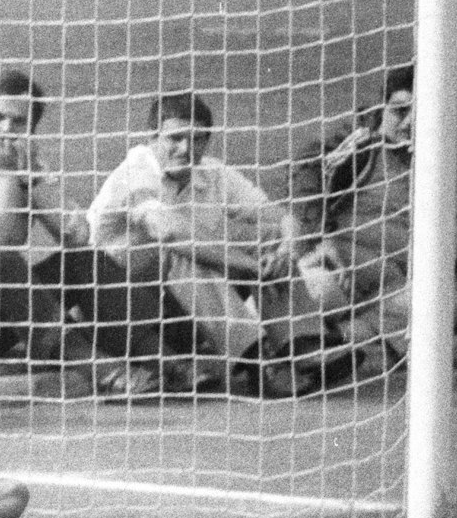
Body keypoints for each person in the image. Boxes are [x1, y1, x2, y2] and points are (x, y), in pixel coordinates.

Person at [0, 69, 204, 394]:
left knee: (82, 260)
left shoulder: (27, 160)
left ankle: (168, 362)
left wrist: (31, 180)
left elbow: (78, 234)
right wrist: (7, 174)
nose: (7, 129)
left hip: (5, 314)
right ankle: (105, 371)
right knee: (1, 262)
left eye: (19, 122)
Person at [86, 92, 337, 396]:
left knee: (268, 239)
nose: (186, 149)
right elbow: (170, 233)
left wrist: (286, 251)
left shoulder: (213, 172)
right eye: (175, 138)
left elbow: (281, 217)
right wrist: (251, 265)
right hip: (118, 314)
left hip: (182, 312)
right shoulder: (136, 171)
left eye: (197, 139)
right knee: (180, 252)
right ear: (153, 137)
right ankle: (257, 361)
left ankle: (303, 344)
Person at [290, 64, 415, 375]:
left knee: (440, 304)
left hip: (389, 284)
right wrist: (323, 238)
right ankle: (286, 344)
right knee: (317, 292)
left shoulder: (432, 160)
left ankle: (334, 344)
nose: (409, 122)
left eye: (419, 114)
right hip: (339, 271)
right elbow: (305, 172)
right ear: (383, 107)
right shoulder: (363, 145)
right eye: (400, 111)